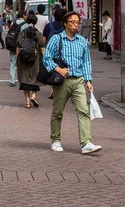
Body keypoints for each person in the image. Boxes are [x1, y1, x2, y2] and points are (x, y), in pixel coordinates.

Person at [44, 11, 102, 155]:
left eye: (78, 22)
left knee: (83, 111)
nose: (76, 24)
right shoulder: (57, 39)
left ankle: (86, 143)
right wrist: (58, 69)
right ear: (65, 23)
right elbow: (46, 58)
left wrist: (88, 80)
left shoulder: (82, 41)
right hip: (62, 81)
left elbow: (86, 61)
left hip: (78, 81)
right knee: (58, 112)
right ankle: (56, 140)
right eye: (73, 22)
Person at [17, 14, 45, 108]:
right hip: (35, 60)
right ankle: (33, 96)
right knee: (35, 79)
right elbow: (42, 48)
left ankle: (27, 103)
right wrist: (45, 59)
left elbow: (18, 47)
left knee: (25, 80)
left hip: (23, 59)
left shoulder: (22, 33)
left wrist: (17, 59)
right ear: (36, 22)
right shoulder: (38, 33)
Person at [43, 7, 66, 99]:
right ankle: (60, 89)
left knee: (53, 69)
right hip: (63, 51)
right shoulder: (65, 27)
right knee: (62, 69)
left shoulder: (48, 26)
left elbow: (43, 40)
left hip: (51, 51)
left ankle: (53, 88)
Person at [8, 11, 28, 87]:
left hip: (12, 45)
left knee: (13, 62)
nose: (27, 17)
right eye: (26, 15)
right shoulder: (25, 25)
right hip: (21, 46)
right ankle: (22, 80)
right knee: (22, 63)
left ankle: (12, 81)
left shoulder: (13, 23)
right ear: (23, 16)